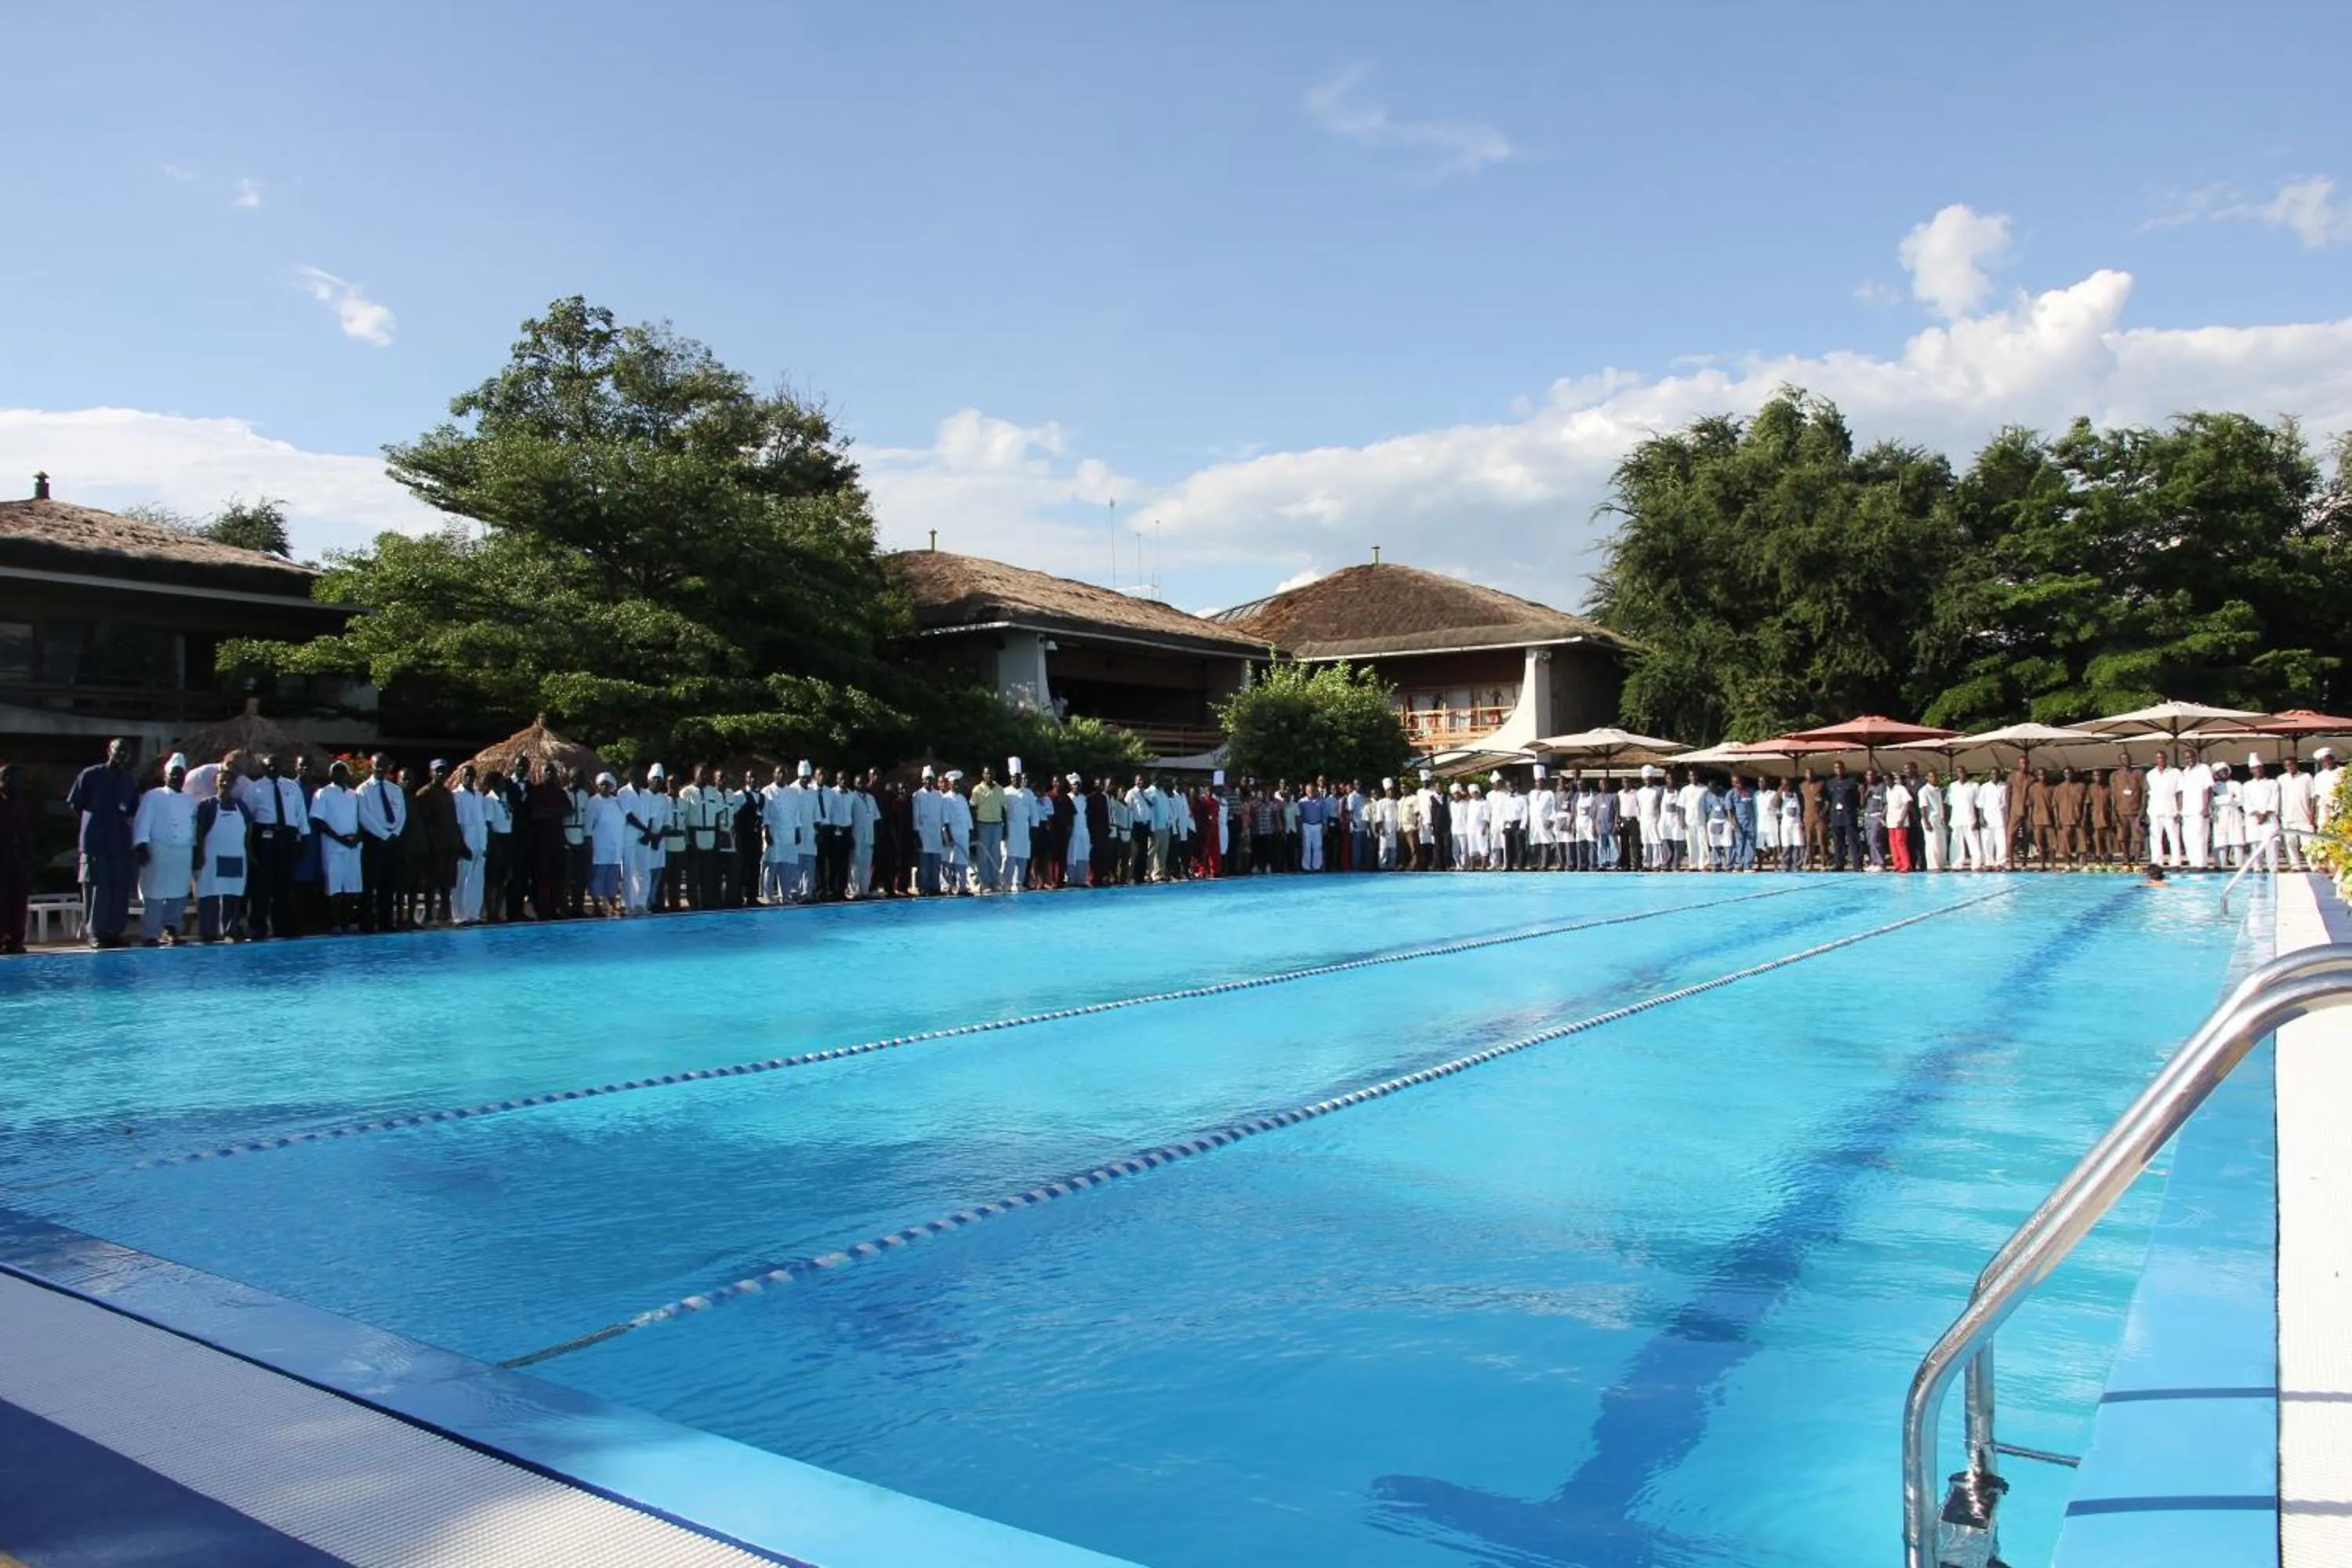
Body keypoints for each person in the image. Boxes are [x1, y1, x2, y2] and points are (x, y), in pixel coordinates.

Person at [66, 738, 141, 947]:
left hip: (119, 844)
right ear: (109, 751)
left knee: (119, 888)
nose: (122, 754)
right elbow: (76, 805)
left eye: (126, 751)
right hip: (96, 844)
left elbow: (132, 811)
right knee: (97, 889)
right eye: (118, 750)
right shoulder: (90, 775)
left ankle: (113, 932)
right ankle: (96, 933)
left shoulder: (130, 782)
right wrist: (93, 825)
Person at [237, 753, 307, 939]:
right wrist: (250, 848)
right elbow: (248, 820)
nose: (272, 769)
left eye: (276, 765)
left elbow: (301, 816)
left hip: (288, 838)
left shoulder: (292, 787)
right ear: (263, 768)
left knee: (285, 885)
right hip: (265, 838)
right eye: (268, 766)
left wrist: (303, 840)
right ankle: (258, 927)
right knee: (261, 885)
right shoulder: (254, 788)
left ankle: (284, 927)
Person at [132, 754, 198, 945]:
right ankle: (150, 933)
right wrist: (141, 844)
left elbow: (192, 828)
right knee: (154, 893)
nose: (177, 777)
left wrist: (194, 850)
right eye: (173, 774)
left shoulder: (189, 801)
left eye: (180, 774)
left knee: (179, 894)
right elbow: (142, 821)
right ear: (166, 775)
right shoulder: (153, 796)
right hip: (158, 850)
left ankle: (171, 930)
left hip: (183, 852)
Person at [193, 764, 252, 942]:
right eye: (222, 780)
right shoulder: (207, 805)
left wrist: (248, 851)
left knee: (233, 895)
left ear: (234, 784)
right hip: (211, 857)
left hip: (235, 857)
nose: (225, 783)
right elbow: (200, 831)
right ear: (215, 783)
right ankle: (208, 932)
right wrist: (200, 854)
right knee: (208, 894)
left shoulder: (241, 806)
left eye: (229, 780)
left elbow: (249, 827)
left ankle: (229, 931)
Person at [308, 760, 365, 934]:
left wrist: (357, 837)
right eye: (336, 771)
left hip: (353, 847)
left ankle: (347, 923)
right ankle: (335, 923)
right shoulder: (322, 793)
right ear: (330, 774)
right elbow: (318, 820)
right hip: (333, 846)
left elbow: (362, 819)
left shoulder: (354, 795)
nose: (339, 774)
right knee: (334, 887)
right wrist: (339, 839)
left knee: (351, 886)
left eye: (343, 771)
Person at [355, 753, 408, 935]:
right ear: (372, 765)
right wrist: (384, 835)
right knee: (370, 884)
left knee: (389, 883)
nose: (381, 769)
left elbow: (402, 815)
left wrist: (395, 834)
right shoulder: (363, 790)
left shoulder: (395, 790)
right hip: (374, 841)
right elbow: (364, 817)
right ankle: (367, 924)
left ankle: (386, 922)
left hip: (393, 841)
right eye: (378, 765)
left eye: (384, 766)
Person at [414, 759, 463, 925]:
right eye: (437, 770)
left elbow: (454, 820)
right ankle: (428, 916)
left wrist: (459, 843)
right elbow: (423, 822)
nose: (441, 773)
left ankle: (445, 915)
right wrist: (429, 845)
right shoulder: (424, 793)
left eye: (443, 770)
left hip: (450, 845)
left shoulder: (448, 793)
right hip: (433, 847)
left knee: (446, 884)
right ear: (431, 772)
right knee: (431, 883)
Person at [583, 772, 626, 915]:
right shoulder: (593, 802)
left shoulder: (617, 802)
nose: (604, 787)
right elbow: (588, 826)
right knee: (597, 878)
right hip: (599, 848)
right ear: (598, 786)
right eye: (602, 784)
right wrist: (590, 845)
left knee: (612, 879)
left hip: (615, 849)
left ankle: (612, 905)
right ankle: (597, 905)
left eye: (607, 785)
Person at [451, 764, 489, 923]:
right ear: (461, 776)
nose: (470, 778)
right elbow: (456, 823)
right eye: (467, 775)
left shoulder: (479, 796)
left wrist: (485, 844)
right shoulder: (456, 796)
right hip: (465, 843)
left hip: (480, 843)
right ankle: (459, 915)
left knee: (477, 881)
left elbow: (483, 821)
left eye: (472, 776)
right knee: (462, 880)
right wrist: (460, 844)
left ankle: (474, 913)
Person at [0, 763, 31, 953]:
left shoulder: (21, 804)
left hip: (18, 860)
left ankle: (15, 939)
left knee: (18, 901)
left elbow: (26, 833)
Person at [2178, 750, 2216, 870]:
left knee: (2200, 838)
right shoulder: (2185, 772)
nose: (2189, 759)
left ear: (2196, 757)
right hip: (2187, 811)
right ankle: (2193, 864)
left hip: (2199, 811)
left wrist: (2205, 808)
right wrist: (2180, 811)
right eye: (2186, 758)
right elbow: (2182, 793)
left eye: (2191, 757)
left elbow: (2208, 789)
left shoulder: (2204, 768)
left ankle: (2201, 865)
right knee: (2188, 839)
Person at [2143, 750, 2182, 868]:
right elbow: (2148, 794)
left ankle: (2176, 862)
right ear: (2156, 759)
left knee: (2173, 837)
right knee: (2155, 838)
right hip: (2155, 810)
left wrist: (2180, 811)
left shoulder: (2176, 773)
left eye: (2162, 758)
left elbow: (2180, 792)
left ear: (2166, 758)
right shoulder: (2150, 774)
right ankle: (2157, 862)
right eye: (2158, 758)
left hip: (2171, 810)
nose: (2160, 760)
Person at [1822, 761, 1862, 871]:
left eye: (1840, 767)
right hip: (1836, 815)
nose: (1838, 769)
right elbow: (1828, 799)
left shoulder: (1852, 782)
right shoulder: (1830, 783)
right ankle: (1839, 863)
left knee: (1853, 840)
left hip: (1848, 814)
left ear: (1844, 768)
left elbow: (1857, 799)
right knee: (1838, 841)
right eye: (1836, 768)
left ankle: (1857, 864)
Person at [2280, 754, 2317, 870]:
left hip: (2304, 817)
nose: (2289, 767)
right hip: (2287, 817)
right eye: (2287, 765)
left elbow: (2313, 798)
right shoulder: (2281, 779)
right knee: (2290, 843)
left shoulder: (2307, 777)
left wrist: (2312, 816)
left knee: (2308, 843)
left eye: (2291, 764)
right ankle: (2295, 866)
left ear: (2296, 764)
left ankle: (2314, 865)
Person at [1946, 764, 1980, 870]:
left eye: (1962, 771)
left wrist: (1978, 820)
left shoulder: (1974, 785)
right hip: (1956, 819)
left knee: (1974, 842)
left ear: (1966, 772)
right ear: (1956, 774)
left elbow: (1978, 805)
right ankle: (1956, 865)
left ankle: (1976, 865)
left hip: (1970, 818)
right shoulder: (1952, 786)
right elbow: (1948, 803)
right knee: (1956, 843)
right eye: (1958, 772)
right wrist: (1947, 819)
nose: (1961, 774)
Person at [1917, 770, 1946, 872]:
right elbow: (1923, 807)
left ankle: (1940, 864)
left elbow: (1940, 806)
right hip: (1930, 819)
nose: (1934, 779)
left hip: (1939, 819)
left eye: (1936, 777)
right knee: (1932, 843)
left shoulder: (1937, 790)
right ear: (1927, 778)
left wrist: (1943, 818)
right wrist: (1926, 822)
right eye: (1932, 777)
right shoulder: (1924, 790)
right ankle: (1932, 866)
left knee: (1940, 842)